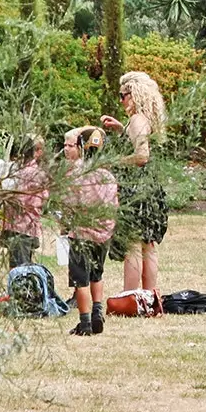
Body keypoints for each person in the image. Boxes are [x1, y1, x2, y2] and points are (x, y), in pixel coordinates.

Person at [100, 71, 168, 302]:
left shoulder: (138, 119)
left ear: (134, 94)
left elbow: (141, 156)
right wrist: (121, 129)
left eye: (123, 95)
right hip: (151, 188)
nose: (122, 100)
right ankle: (149, 297)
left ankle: (129, 297)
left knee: (134, 245)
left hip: (137, 190)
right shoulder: (148, 120)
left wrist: (114, 161)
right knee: (148, 245)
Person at [62, 126, 115, 337]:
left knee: (80, 279)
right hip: (102, 235)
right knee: (96, 274)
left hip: (81, 233)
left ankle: (84, 323)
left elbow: (68, 203)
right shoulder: (108, 176)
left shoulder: (77, 174)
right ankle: (97, 311)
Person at [0, 135, 47, 269]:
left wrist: (3, 194)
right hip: (21, 226)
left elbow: (23, 201)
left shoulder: (28, 173)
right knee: (19, 266)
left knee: (20, 269)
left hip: (21, 228)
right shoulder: (30, 171)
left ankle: (20, 290)